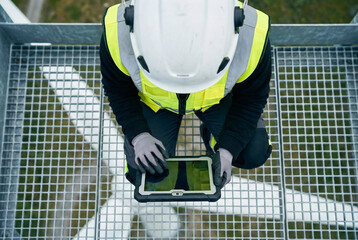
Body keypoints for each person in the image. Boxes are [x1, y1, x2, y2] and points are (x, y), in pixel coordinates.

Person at [100, 0, 272, 189]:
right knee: (144, 173)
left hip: (215, 101)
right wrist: (139, 136)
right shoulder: (117, 30)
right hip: (155, 103)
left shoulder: (251, 34)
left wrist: (228, 149)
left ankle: (213, 137)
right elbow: (119, 91)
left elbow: (251, 100)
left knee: (251, 152)